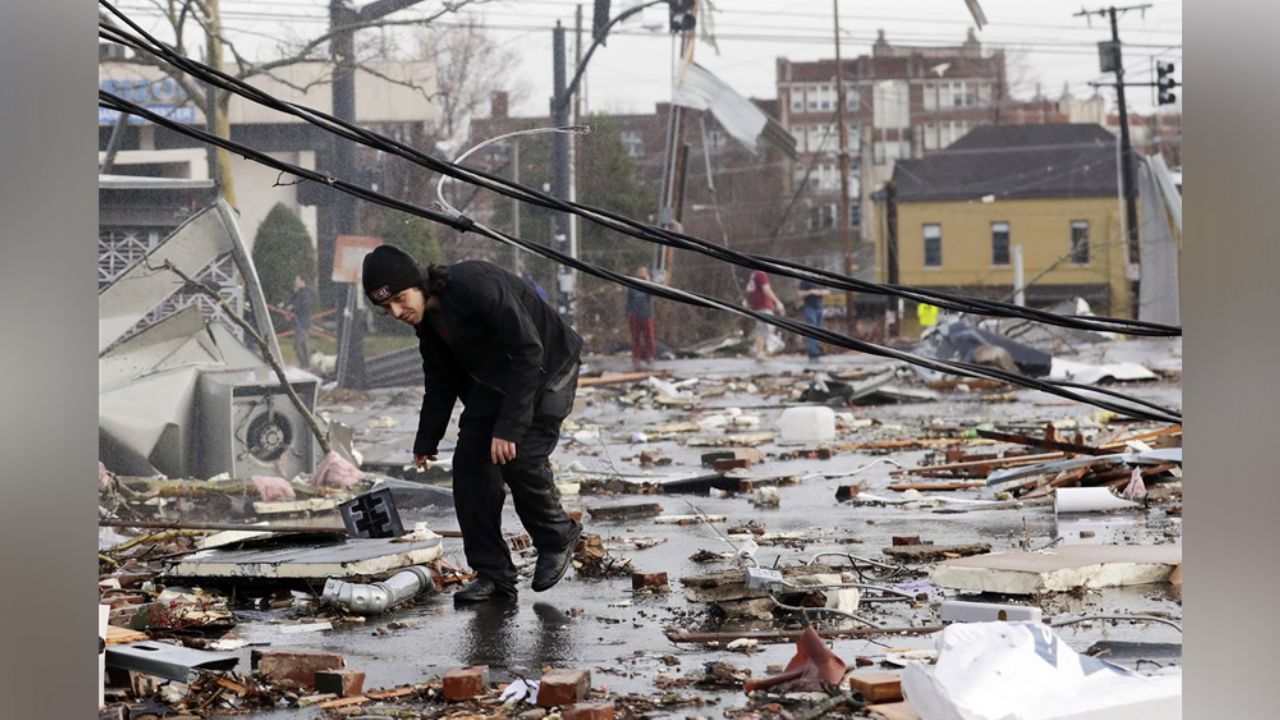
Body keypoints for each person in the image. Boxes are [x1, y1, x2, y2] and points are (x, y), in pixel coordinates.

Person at [361, 245, 584, 604]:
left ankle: (557, 536)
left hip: (548, 369)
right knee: (469, 469)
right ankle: (494, 574)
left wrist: (509, 428)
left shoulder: (476, 286)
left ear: (419, 282)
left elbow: (529, 351)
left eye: (401, 299)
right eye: (387, 308)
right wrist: (426, 439)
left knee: (519, 456)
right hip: (496, 382)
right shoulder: (428, 323)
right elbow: (440, 379)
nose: (397, 312)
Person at [745, 269, 784, 358]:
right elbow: (766, 289)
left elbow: (748, 288)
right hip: (763, 306)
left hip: (757, 305)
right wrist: (777, 302)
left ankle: (756, 348)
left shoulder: (753, 274)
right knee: (763, 329)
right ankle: (759, 352)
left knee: (766, 328)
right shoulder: (761, 274)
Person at [625, 265, 656, 370]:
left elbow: (652, 296)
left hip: (647, 314)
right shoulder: (632, 285)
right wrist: (628, 313)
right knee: (636, 338)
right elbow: (628, 300)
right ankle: (636, 358)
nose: (642, 273)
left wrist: (648, 282)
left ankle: (650, 356)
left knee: (649, 337)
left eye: (644, 272)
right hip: (635, 315)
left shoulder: (649, 285)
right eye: (640, 272)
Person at [797, 278, 830, 362]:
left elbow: (828, 292)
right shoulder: (805, 280)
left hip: (819, 308)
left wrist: (820, 292)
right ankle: (813, 352)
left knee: (818, 330)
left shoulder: (820, 280)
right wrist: (811, 291)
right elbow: (800, 294)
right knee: (812, 328)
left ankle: (816, 349)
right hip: (809, 308)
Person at [288, 274, 316, 369]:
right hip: (298, 321)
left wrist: (294, 307)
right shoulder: (299, 293)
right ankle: (305, 363)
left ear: (302, 281)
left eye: (297, 280)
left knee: (299, 343)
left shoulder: (306, 293)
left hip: (303, 322)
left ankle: (305, 364)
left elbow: (304, 306)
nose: (295, 282)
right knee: (301, 343)